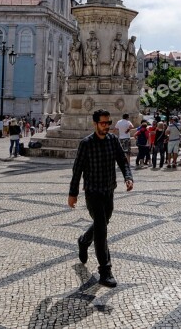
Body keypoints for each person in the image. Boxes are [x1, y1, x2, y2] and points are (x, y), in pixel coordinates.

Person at [68, 109, 133, 288]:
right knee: (102, 230)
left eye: (108, 123)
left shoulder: (113, 140)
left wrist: (128, 177)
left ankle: (84, 240)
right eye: (103, 123)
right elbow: (77, 170)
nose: (106, 126)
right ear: (95, 123)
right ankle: (105, 270)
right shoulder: (86, 143)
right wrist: (73, 194)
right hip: (92, 192)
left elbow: (122, 161)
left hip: (108, 190)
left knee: (102, 222)